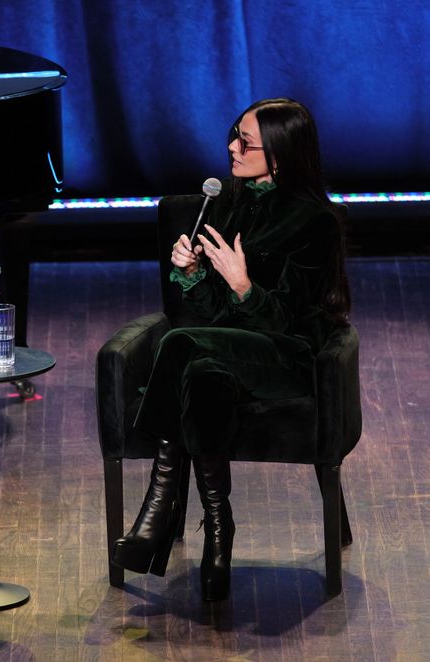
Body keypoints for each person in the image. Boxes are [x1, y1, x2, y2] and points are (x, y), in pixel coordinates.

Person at [110, 99, 350, 601]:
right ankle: (219, 533)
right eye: (233, 135)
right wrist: (195, 274)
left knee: (180, 345)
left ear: (280, 155)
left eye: (246, 142)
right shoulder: (224, 204)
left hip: (286, 357)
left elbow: (287, 320)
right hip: (226, 349)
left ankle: (157, 510)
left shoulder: (314, 222)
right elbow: (208, 314)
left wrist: (244, 286)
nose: (231, 148)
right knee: (199, 372)